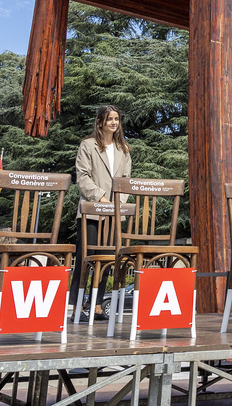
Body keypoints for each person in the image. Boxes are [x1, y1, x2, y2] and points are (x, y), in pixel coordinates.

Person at [73, 105, 133, 314]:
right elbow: (82, 177)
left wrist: (118, 203)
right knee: (85, 258)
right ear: (100, 122)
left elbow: (125, 180)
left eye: (116, 119)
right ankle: (77, 304)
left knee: (107, 260)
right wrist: (101, 197)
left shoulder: (123, 149)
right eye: (109, 119)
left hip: (114, 214)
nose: (113, 123)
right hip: (91, 210)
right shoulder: (88, 145)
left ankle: (97, 304)